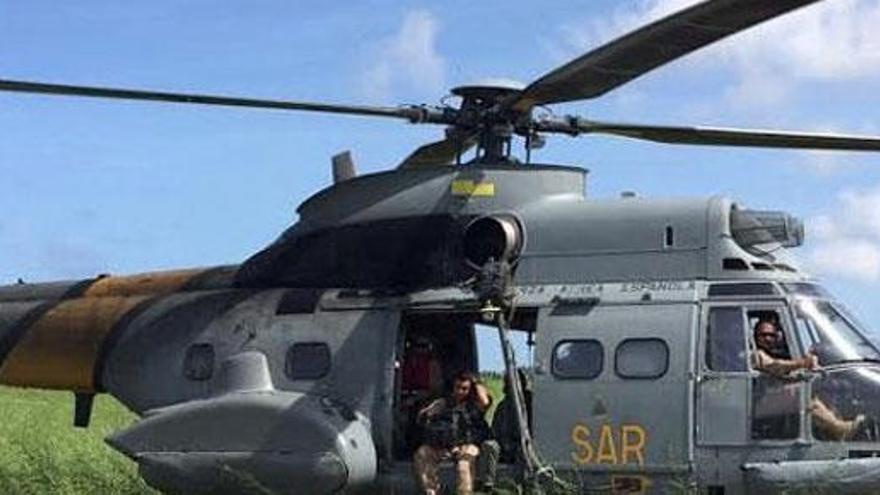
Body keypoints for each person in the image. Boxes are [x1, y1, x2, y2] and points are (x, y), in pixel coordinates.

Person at [753, 320, 863, 440]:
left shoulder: (779, 354)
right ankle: (838, 429)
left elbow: (785, 372)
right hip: (755, 402)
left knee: (817, 392)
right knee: (800, 393)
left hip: (770, 400)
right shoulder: (754, 353)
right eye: (763, 335)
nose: (768, 338)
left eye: (772, 335)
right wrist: (803, 363)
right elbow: (774, 365)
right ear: (755, 337)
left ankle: (835, 428)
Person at [413, 371, 492, 495]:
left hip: (467, 446)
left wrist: (476, 382)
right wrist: (430, 411)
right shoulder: (444, 403)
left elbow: (485, 402)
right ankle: (432, 490)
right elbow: (423, 417)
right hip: (445, 446)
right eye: (457, 387)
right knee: (422, 454)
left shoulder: (474, 406)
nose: (460, 391)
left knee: (464, 465)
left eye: (464, 388)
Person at [477, 369, 532, 491]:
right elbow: (495, 429)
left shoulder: (529, 403)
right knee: (489, 445)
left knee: (523, 451)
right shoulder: (502, 405)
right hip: (502, 444)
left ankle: (521, 485)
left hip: (520, 444)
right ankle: (487, 484)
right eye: (509, 382)